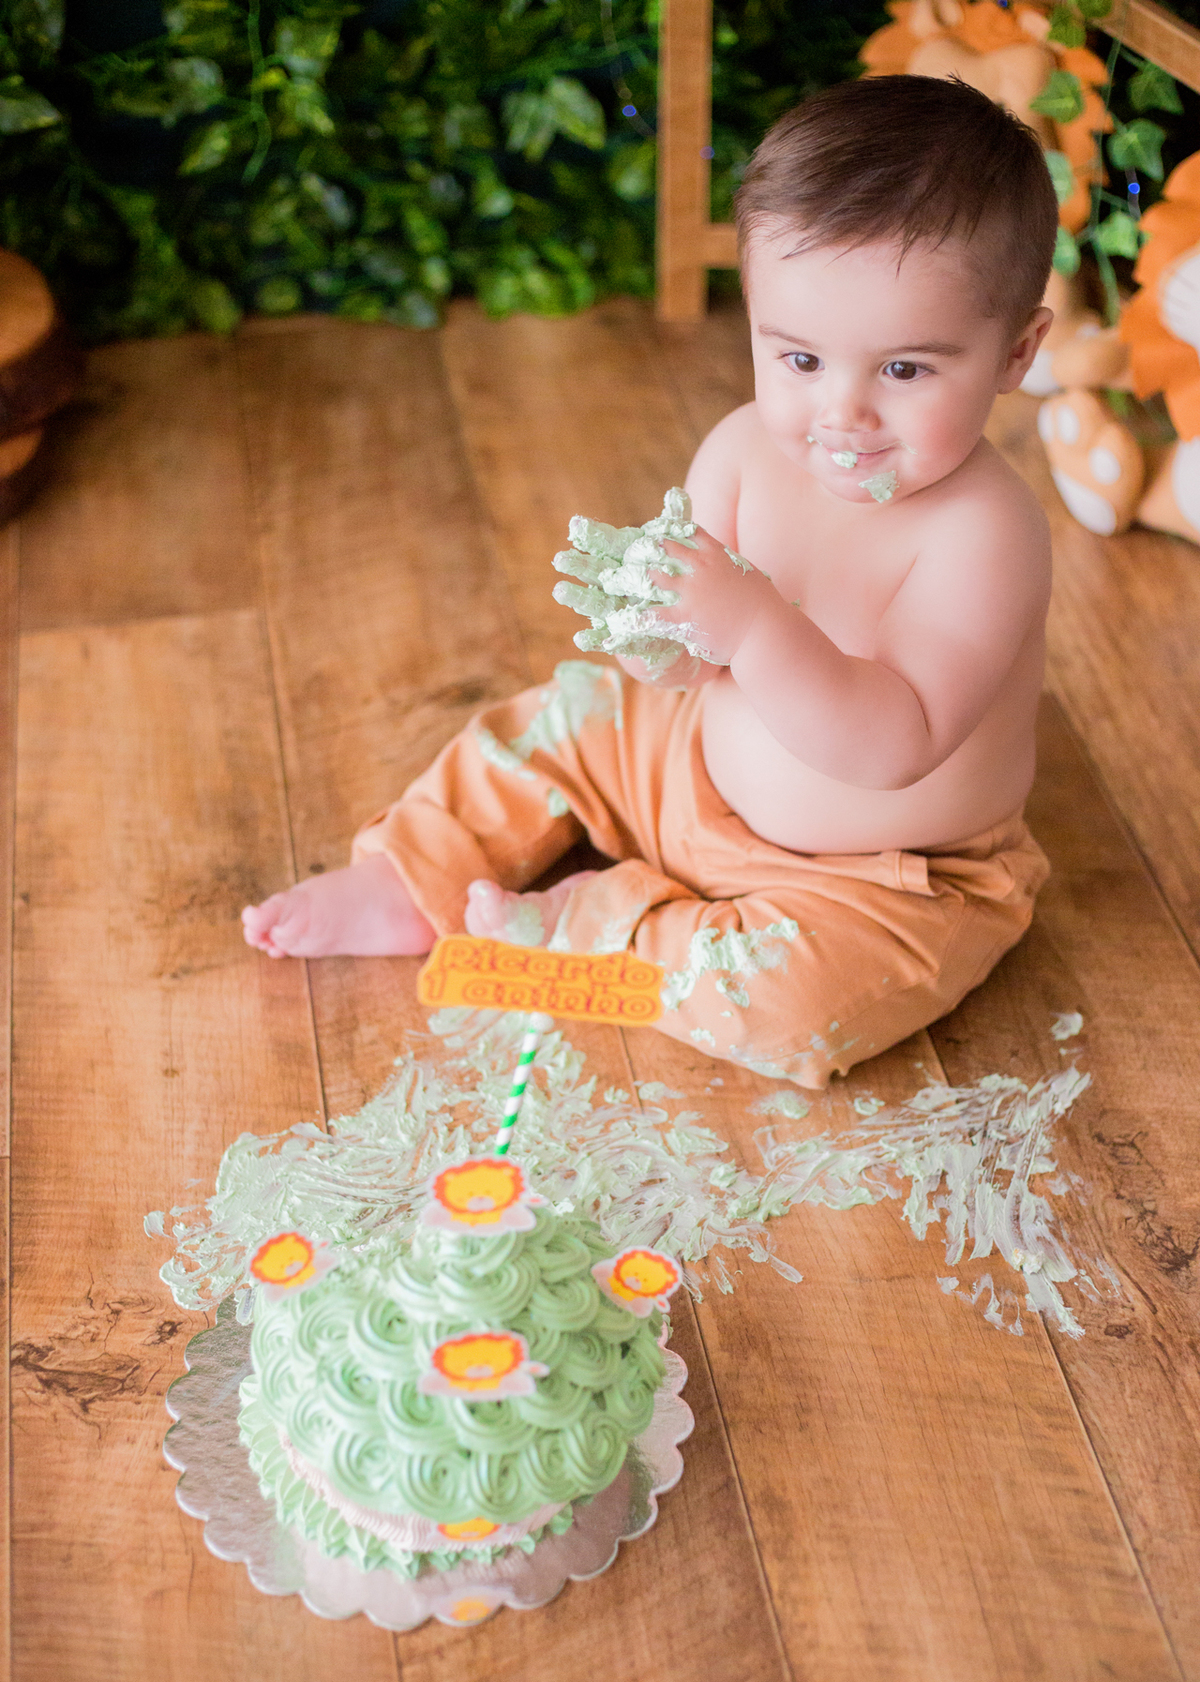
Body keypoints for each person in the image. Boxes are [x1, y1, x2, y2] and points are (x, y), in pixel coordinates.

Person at [242, 75, 1056, 1089]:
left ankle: (593, 933)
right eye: (800, 357)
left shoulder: (987, 534)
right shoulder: (743, 452)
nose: (841, 413)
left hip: (887, 877)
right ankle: (410, 875)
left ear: (1016, 351)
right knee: (565, 716)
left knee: (796, 1005)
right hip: (693, 766)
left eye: (904, 371)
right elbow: (677, 665)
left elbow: (897, 744)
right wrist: (653, 632)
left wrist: (755, 630)